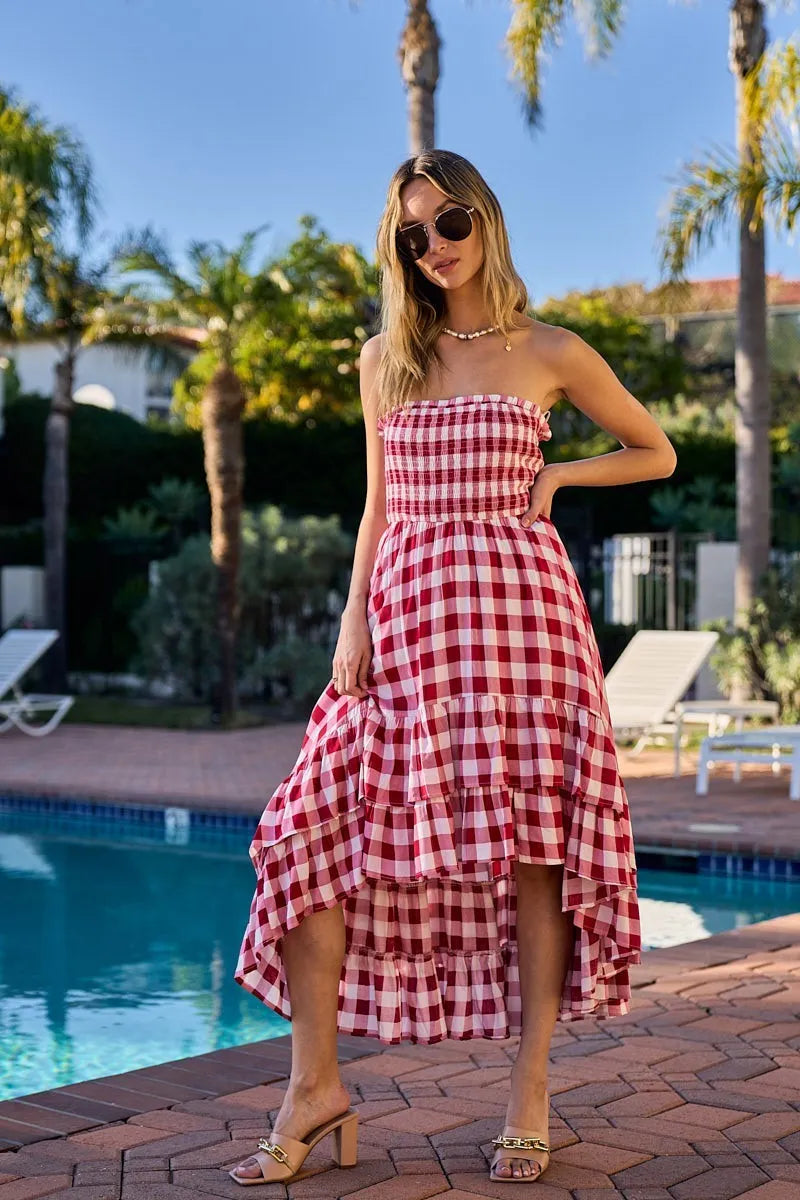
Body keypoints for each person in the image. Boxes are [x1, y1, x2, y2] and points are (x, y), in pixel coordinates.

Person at [228, 147, 676, 1187]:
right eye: (410, 234)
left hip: (521, 623)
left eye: (449, 223)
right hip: (405, 620)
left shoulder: (550, 348)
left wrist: (559, 470)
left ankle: (527, 1091)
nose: (433, 246)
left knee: (531, 850)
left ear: (486, 219)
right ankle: (315, 1085)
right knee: (305, 831)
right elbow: (379, 506)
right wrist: (350, 617)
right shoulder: (383, 356)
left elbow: (652, 450)